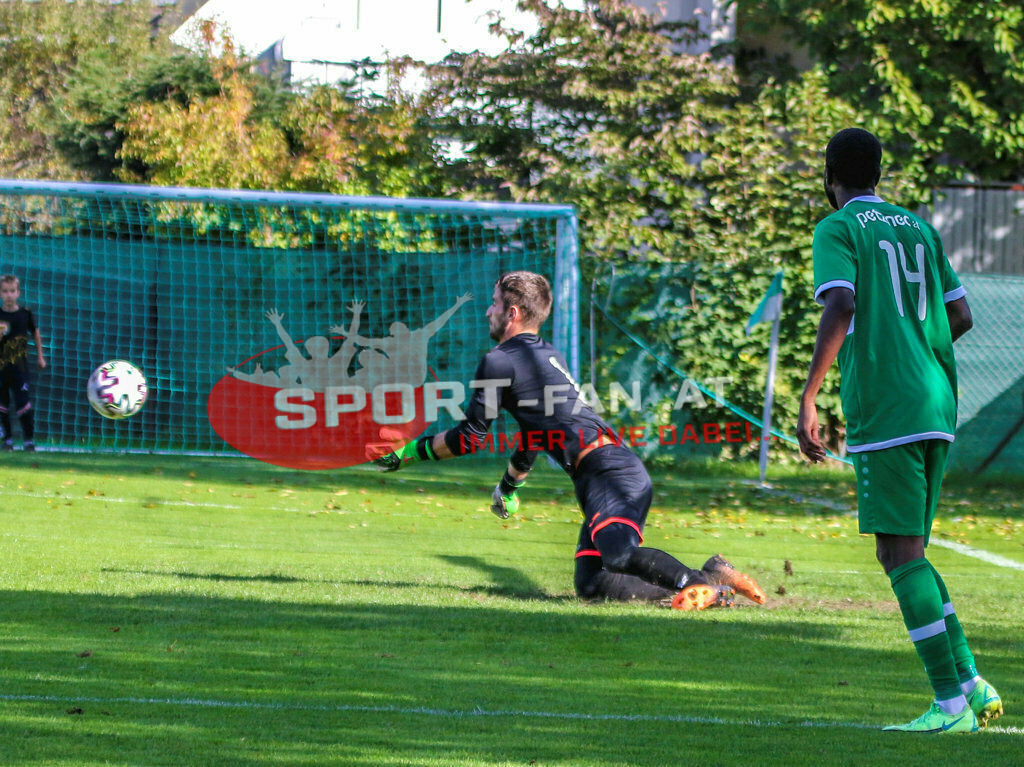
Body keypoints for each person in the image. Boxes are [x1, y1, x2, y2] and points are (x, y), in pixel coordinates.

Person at [370, 271, 766, 611]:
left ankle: (700, 583)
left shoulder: (499, 360)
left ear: (513, 312)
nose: (487, 311)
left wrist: (405, 454)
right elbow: (535, 435)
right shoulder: (541, 354)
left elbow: (470, 438)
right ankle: (711, 577)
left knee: (619, 554)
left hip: (608, 474)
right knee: (593, 585)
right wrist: (509, 486)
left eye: (493, 304)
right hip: (607, 470)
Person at [796, 128, 1002, 733]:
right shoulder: (920, 228)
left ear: (831, 176)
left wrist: (810, 396)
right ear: (878, 174)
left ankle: (948, 705)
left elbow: (841, 304)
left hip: (887, 405)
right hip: (936, 401)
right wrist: (917, 347)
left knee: (899, 552)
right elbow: (960, 313)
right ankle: (970, 682)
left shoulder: (837, 228)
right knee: (908, 551)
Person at [0, 274, 46, 452]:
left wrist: (41, 356)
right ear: (1, 293)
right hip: (2, 369)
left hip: (20, 369)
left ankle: (28, 440)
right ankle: (8, 440)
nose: (9, 295)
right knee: (2, 405)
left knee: (23, 403)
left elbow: (35, 333)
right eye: (5, 291)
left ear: (18, 293)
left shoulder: (25, 313)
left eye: (12, 291)